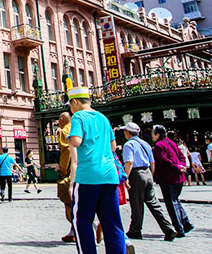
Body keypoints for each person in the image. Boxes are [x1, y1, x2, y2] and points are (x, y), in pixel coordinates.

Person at [66, 86, 126, 254]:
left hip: (88, 177)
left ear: (75, 102)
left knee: (82, 221)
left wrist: (67, 137)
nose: (70, 109)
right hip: (109, 176)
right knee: (112, 222)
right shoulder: (103, 118)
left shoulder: (79, 116)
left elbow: (76, 141)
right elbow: (113, 147)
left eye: (70, 105)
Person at [120, 121, 176, 242]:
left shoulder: (129, 145)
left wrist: (125, 178)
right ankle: (168, 228)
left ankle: (135, 230)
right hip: (147, 173)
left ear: (127, 132)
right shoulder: (145, 144)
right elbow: (152, 162)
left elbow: (129, 162)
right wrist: (151, 175)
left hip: (136, 174)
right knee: (153, 203)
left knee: (136, 203)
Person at [152, 125, 193, 238]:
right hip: (179, 176)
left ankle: (179, 228)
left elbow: (164, 160)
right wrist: (182, 166)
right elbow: (182, 156)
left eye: (153, 133)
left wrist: (177, 167)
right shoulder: (171, 142)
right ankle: (186, 222)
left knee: (171, 203)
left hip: (168, 177)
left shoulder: (159, 145)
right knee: (175, 200)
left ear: (158, 134)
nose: (152, 136)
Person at [56, 111, 75, 243]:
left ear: (63, 120)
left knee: (69, 200)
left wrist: (62, 169)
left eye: (59, 120)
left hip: (70, 171)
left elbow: (66, 152)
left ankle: (79, 228)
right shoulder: (76, 128)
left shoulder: (64, 132)